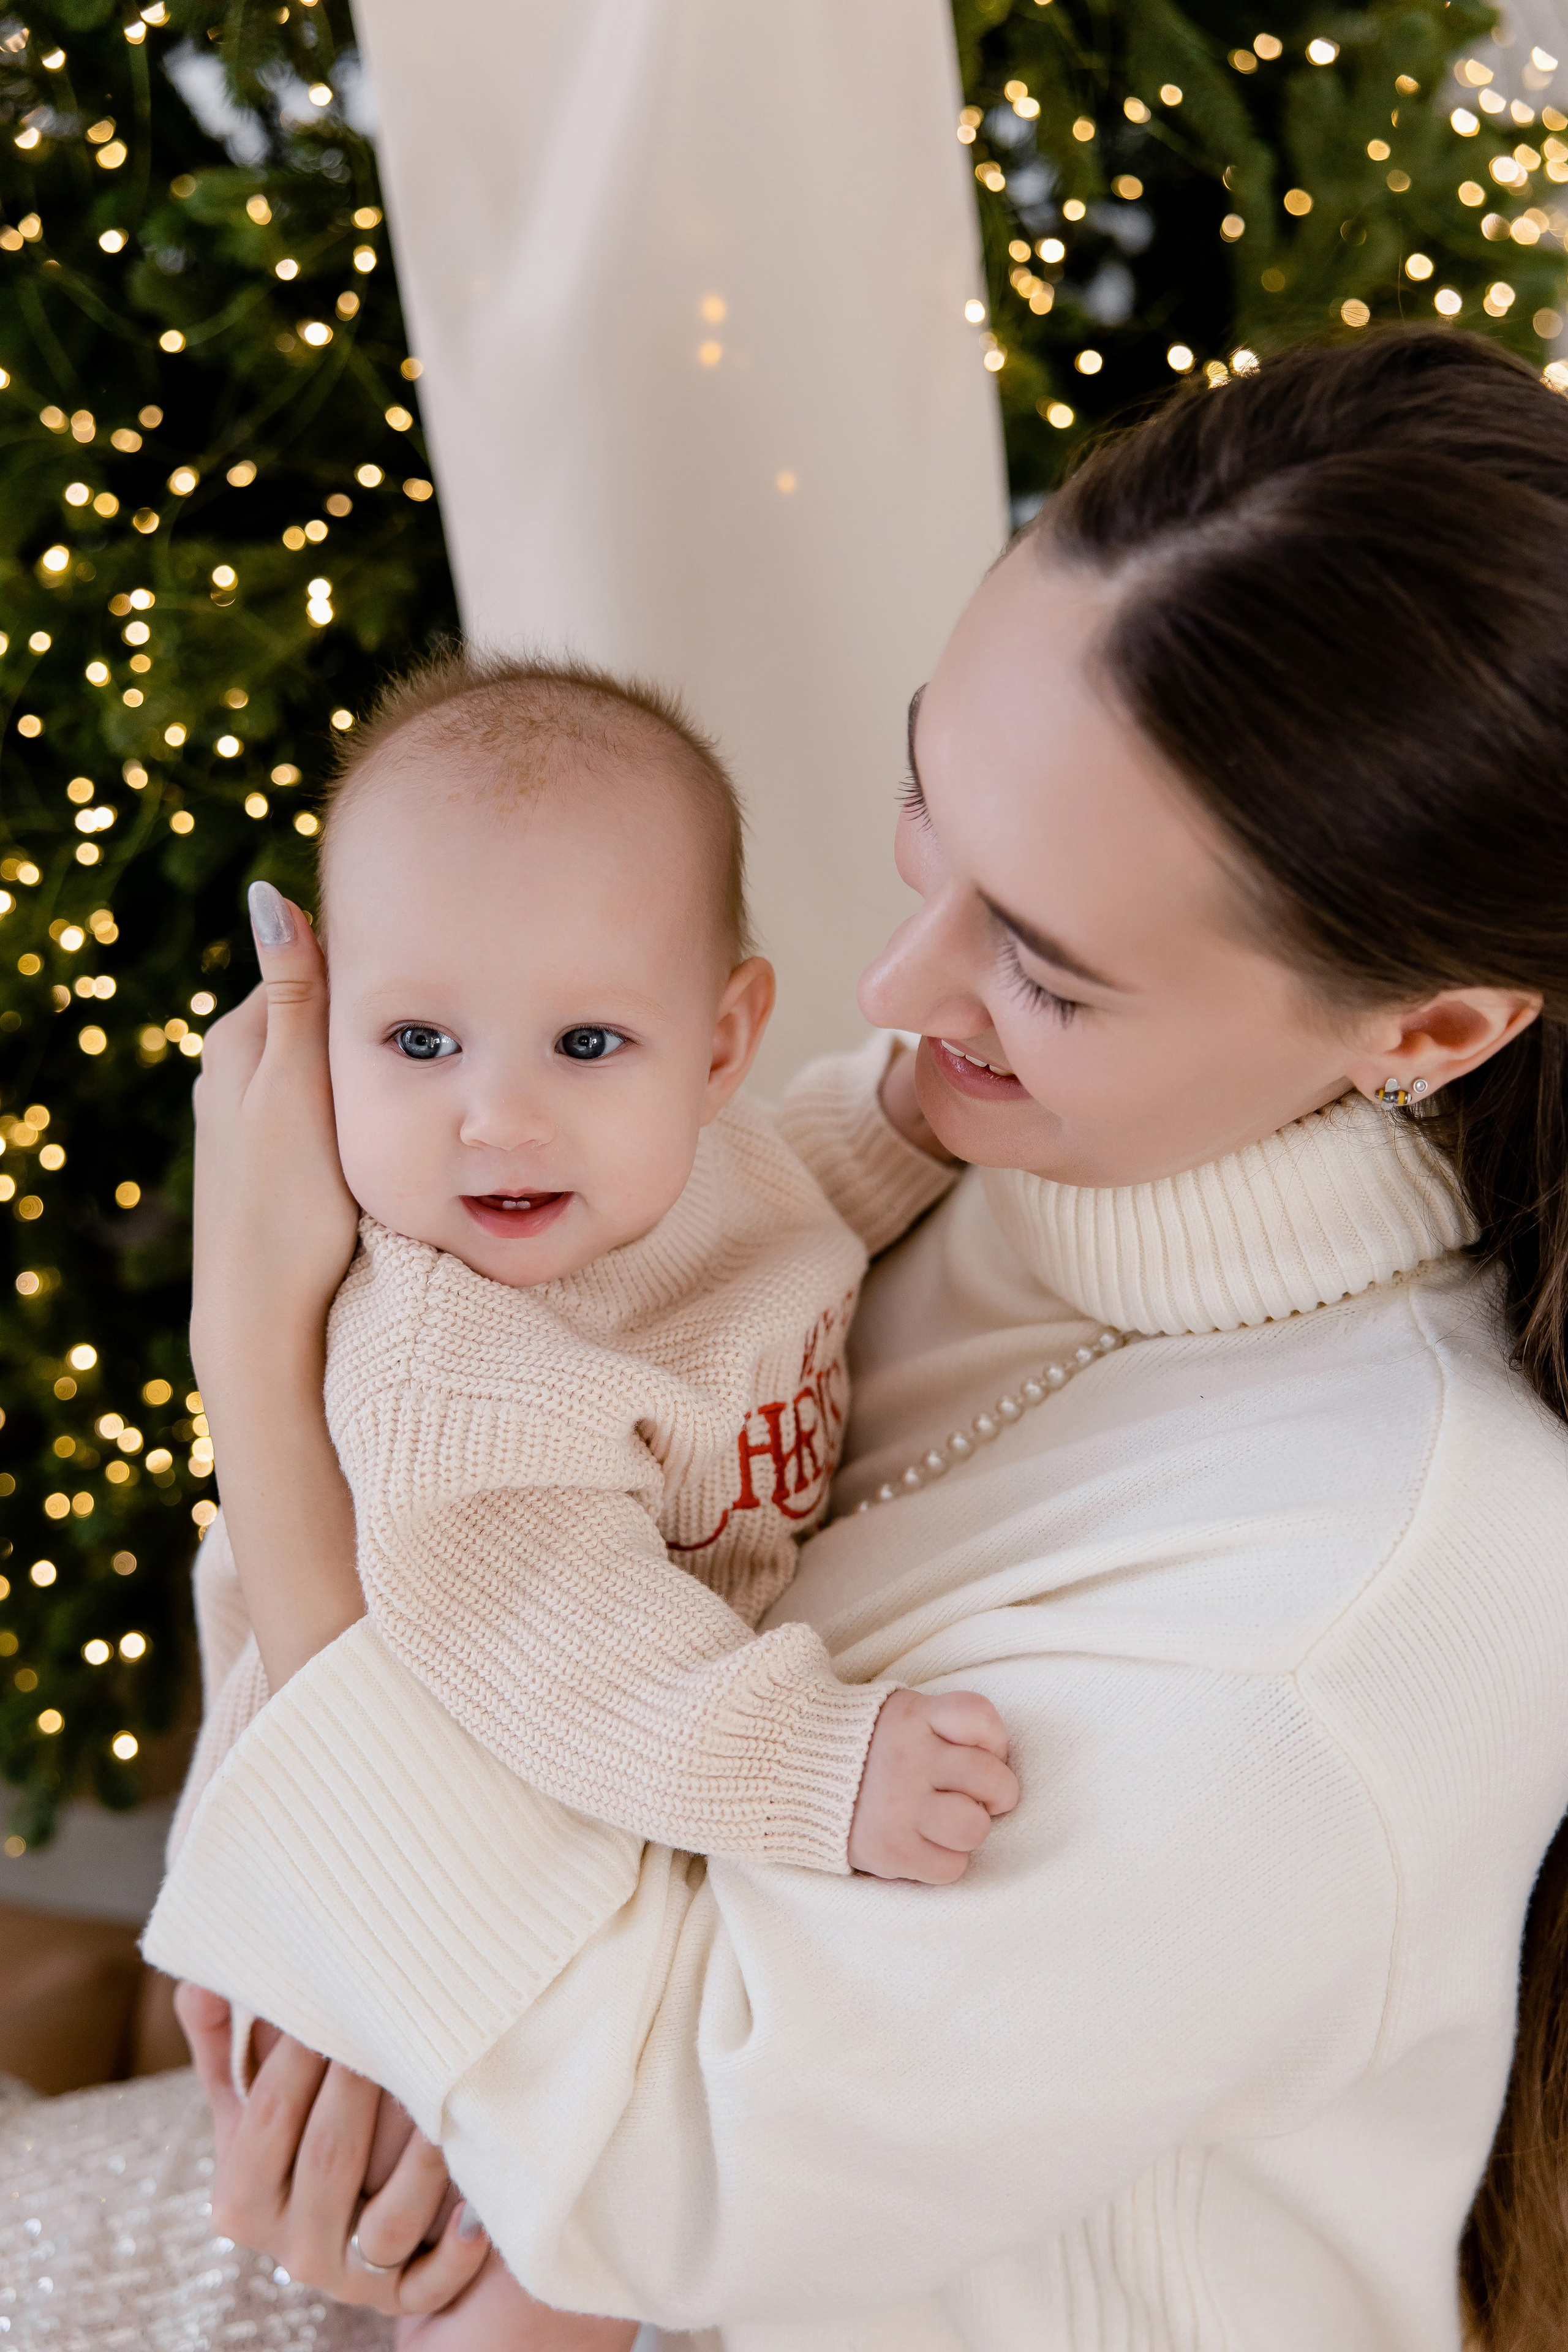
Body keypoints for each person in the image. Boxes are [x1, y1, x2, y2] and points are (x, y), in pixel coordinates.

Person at [4, 325, 1567, 2352]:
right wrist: (336, 2047)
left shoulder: (1348, 1618)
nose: (895, 980)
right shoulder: (954, 1165)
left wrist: (261, 1378)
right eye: (932, 810)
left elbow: (649, 2180)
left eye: (1050, 967)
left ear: (1430, 1032)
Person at [166, 648, 1019, 2350]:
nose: (496, 1117)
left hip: (557, 1786)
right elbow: (571, 1664)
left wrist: (918, 1115)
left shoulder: (692, 1166)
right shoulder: (443, 1362)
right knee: (540, 2275)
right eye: (417, 1040)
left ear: (720, 1043)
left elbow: (798, 1197)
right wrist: (819, 1766)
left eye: (584, 1039)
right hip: (379, 1872)